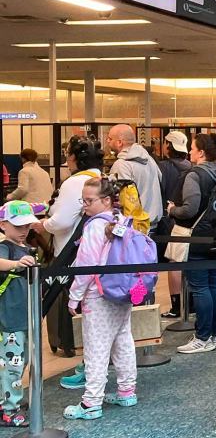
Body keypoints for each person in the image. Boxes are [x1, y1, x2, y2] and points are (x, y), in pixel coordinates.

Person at [64, 178, 139, 421]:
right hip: (122, 291)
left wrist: (74, 296)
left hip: (98, 294)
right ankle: (127, 391)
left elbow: (87, 263)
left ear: (105, 200)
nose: (84, 205)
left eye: (89, 200)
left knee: (96, 348)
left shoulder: (95, 226)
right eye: (83, 200)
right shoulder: (121, 220)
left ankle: (91, 403)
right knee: (123, 340)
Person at [35, 136, 104, 362]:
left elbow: (62, 221)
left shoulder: (75, 183)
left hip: (71, 253)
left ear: (73, 157)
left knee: (69, 300)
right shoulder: (102, 178)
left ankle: (72, 345)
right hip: (99, 251)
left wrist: (42, 224)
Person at [170, 134, 216, 355]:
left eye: (193, 149)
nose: (190, 153)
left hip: (196, 236)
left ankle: (203, 336)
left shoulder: (195, 175)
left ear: (202, 152)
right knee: (214, 283)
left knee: (200, 286)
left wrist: (172, 210)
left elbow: (190, 208)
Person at [0, 200, 46, 428]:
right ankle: (8, 409)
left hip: (27, 318)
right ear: (3, 225)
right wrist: (16, 263)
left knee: (23, 361)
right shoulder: (5, 248)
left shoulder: (27, 249)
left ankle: (10, 399)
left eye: (26, 226)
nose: (23, 231)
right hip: (10, 321)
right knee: (12, 365)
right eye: (17, 226)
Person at [157, 130, 193, 318]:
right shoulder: (192, 167)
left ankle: (176, 305)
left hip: (169, 219)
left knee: (174, 262)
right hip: (190, 221)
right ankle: (189, 303)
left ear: (168, 146)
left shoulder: (162, 168)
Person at [106, 124, 164, 229]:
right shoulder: (150, 160)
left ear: (119, 142)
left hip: (133, 228)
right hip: (153, 224)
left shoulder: (121, 165)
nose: (107, 141)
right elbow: (161, 181)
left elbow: (119, 198)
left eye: (109, 138)